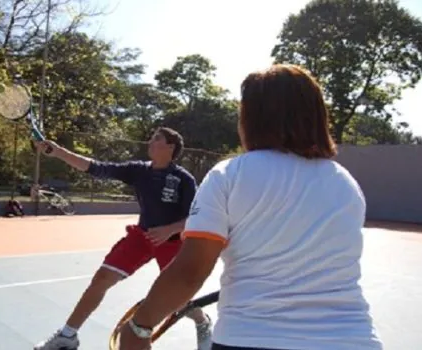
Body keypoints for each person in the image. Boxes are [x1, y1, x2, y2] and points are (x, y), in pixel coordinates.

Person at [117, 64, 384, 350]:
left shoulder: (229, 174)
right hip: (354, 340)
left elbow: (190, 271)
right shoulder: (345, 183)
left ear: (251, 119)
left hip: (249, 337)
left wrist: (139, 327)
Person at [33, 127, 213, 350]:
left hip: (172, 242)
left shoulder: (183, 179)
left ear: (170, 147)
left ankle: (202, 321)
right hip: (142, 237)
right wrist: (59, 152)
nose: (150, 141)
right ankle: (67, 336)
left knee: (177, 298)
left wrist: (169, 229)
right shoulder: (138, 170)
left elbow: (196, 217)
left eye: (157, 139)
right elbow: (95, 167)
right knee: (101, 278)